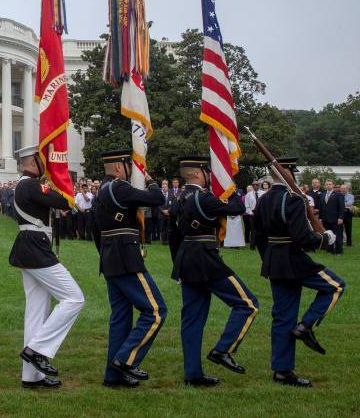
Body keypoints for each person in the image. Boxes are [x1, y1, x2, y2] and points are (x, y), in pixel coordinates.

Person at [253, 158, 344, 387]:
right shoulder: (292, 199)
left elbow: (258, 237)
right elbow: (302, 237)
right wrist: (325, 238)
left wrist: (270, 259)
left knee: (283, 317)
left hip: (274, 261)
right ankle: (305, 326)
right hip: (294, 260)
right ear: (288, 174)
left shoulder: (263, 200)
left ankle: (282, 371)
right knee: (335, 286)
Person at [168, 156, 259, 387]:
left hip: (186, 259)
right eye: (208, 172)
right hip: (206, 259)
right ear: (199, 174)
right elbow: (237, 208)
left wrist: (177, 267)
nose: (211, 175)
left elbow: (173, 236)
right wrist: (230, 185)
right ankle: (222, 350)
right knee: (248, 304)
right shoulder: (204, 197)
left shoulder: (178, 198)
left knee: (192, 320)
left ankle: (193, 375)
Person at [10, 146, 84, 389]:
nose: (47, 165)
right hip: (36, 247)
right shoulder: (31, 185)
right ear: (32, 163)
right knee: (74, 298)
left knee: (36, 311)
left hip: (30, 246)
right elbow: (64, 201)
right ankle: (37, 350)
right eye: (43, 161)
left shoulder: (25, 184)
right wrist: (59, 179)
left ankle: (31, 376)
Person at [93, 150, 167, 388]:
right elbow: (157, 199)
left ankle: (113, 377)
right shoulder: (119, 187)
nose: (131, 171)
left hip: (110, 258)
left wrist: (106, 256)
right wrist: (151, 180)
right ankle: (125, 360)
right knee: (156, 311)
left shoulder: (101, 191)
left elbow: (96, 232)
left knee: (121, 319)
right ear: (117, 168)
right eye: (128, 166)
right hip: (126, 257)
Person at [319, 180, 345, 255]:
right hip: (325, 219)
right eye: (326, 184)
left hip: (336, 219)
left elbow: (341, 207)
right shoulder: (322, 195)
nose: (328, 185)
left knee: (337, 235)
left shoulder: (338, 195)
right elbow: (321, 207)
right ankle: (330, 250)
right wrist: (320, 218)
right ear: (324, 186)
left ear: (333, 185)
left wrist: (341, 217)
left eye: (330, 184)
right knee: (328, 235)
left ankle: (339, 251)